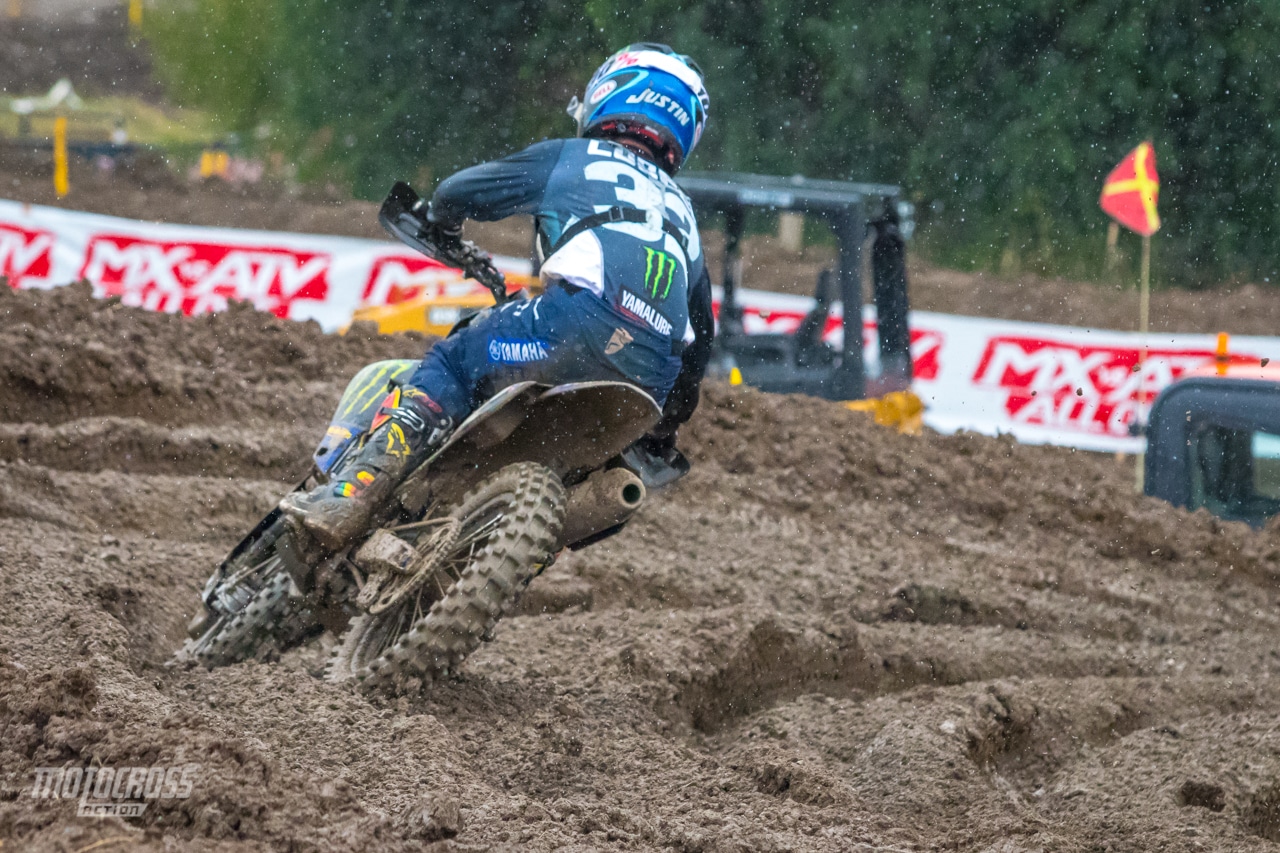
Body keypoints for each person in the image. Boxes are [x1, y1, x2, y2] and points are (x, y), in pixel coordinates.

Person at [283, 43, 716, 549]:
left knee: (454, 360)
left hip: (570, 327)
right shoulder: (686, 218)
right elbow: (699, 343)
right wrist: (663, 432)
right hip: (649, 383)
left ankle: (351, 495)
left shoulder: (575, 156)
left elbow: (457, 193)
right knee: (583, 483)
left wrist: (443, 224)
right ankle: (501, 559)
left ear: (611, 92)